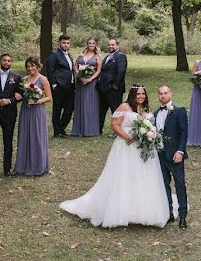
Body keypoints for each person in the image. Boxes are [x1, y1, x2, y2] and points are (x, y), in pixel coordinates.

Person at [59, 85, 171, 228]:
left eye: (143, 93)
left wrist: (149, 135)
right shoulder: (125, 107)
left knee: (142, 177)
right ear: (132, 95)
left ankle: (141, 210)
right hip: (126, 147)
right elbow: (114, 125)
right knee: (124, 176)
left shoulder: (146, 109)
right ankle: (121, 210)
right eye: (138, 94)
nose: (141, 96)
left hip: (143, 148)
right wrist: (128, 137)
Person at [155, 85, 188, 229]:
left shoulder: (179, 110)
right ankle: (169, 213)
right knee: (164, 185)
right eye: (161, 94)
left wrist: (180, 151)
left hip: (175, 155)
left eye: (165, 93)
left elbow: (184, 132)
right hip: (160, 155)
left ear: (171, 94)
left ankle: (182, 216)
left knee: (179, 184)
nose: (163, 95)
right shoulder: (155, 113)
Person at [14, 56, 52, 176]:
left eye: (32, 66)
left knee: (36, 136)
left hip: (37, 111)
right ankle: (22, 166)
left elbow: (49, 97)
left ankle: (38, 166)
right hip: (25, 110)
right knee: (25, 135)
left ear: (37, 66)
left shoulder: (43, 79)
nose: (30, 68)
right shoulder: (24, 79)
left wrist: (37, 101)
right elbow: (21, 95)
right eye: (28, 66)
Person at [46, 33, 75, 138]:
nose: (66, 45)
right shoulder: (54, 54)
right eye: (64, 43)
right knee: (57, 110)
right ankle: (57, 132)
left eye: (68, 43)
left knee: (69, 109)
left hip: (70, 86)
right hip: (59, 87)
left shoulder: (69, 55)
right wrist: (54, 84)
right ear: (59, 43)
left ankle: (61, 128)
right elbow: (50, 70)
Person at [96, 38, 128, 134]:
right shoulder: (107, 57)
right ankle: (98, 129)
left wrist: (115, 85)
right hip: (103, 88)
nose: (110, 46)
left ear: (117, 46)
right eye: (109, 45)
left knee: (116, 111)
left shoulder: (121, 56)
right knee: (101, 110)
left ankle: (117, 131)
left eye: (113, 45)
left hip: (114, 89)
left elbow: (121, 71)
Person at [72, 38, 102, 137]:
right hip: (80, 83)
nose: (91, 45)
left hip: (91, 84)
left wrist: (90, 79)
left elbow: (98, 71)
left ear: (95, 44)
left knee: (90, 104)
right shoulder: (81, 54)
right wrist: (79, 75)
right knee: (81, 103)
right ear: (87, 44)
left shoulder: (97, 56)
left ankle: (90, 129)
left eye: (93, 43)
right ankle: (78, 130)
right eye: (89, 43)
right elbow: (75, 66)